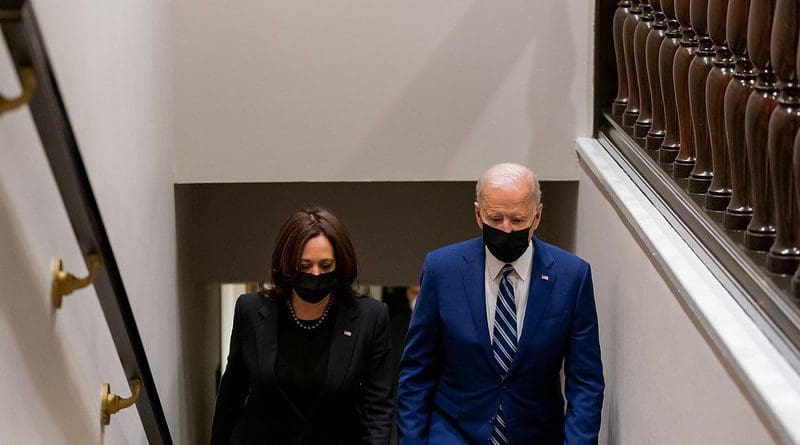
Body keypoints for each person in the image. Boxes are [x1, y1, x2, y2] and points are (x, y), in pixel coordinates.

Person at [397, 163, 604, 444]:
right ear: (478, 215)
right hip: (454, 432)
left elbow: (586, 381)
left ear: (537, 215)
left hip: (537, 434)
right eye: (495, 219)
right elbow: (416, 370)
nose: (506, 229)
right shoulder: (442, 269)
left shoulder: (572, 277)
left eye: (518, 220)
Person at [211, 207, 394, 444]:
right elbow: (231, 395)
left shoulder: (371, 317)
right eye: (305, 266)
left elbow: (378, 410)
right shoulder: (250, 311)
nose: (315, 274)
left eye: (325, 265)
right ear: (287, 265)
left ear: (340, 265)